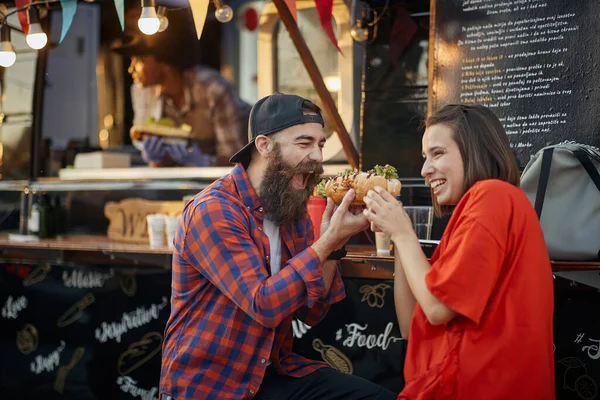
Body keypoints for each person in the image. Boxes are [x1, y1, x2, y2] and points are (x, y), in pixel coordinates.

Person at [160, 93, 397, 400]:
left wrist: (335, 244)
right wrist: (325, 243)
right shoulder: (215, 210)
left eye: (320, 144)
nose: (317, 156)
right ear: (264, 146)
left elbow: (311, 312)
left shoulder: (289, 206)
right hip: (212, 386)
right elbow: (264, 305)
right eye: (304, 143)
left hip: (271, 374)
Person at [362, 104, 555, 399]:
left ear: (474, 150)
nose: (425, 170)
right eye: (425, 157)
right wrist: (399, 238)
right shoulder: (476, 211)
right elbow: (410, 327)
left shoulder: (493, 196)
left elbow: (438, 309)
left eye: (438, 153)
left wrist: (403, 232)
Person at [112, 16, 251, 167]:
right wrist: (156, 158)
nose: (131, 69)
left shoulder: (213, 89)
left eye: (140, 60)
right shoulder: (142, 91)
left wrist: (203, 162)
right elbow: (160, 164)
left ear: (164, 62)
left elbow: (236, 161)